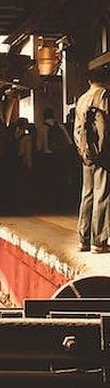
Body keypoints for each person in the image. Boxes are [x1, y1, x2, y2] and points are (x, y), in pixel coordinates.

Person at [74, 66, 110, 253]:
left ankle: (83, 239)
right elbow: (104, 127)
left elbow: (77, 130)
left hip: (86, 154)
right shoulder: (103, 95)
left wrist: (83, 152)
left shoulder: (82, 99)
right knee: (102, 195)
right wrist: (103, 151)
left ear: (89, 81)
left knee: (87, 195)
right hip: (102, 155)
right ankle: (99, 241)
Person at [36, 106, 73, 210]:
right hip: (60, 156)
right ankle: (61, 201)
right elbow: (69, 142)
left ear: (44, 116)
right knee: (60, 180)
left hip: (47, 157)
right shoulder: (60, 126)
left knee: (48, 180)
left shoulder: (42, 128)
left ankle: (50, 202)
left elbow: (39, 146)